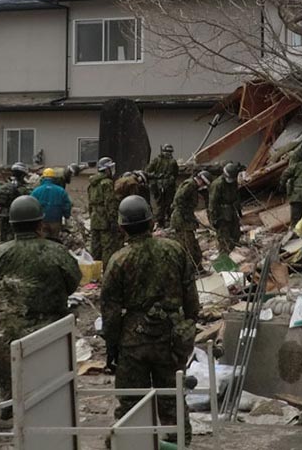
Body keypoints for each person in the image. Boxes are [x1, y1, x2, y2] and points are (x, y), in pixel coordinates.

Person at [101, 195, 199, 445]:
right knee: (173, 398)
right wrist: (187, 327)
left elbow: (110, 311)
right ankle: (179, 444)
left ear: (122, 227)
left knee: (132, 402)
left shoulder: (118, 260)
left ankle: (131, 444)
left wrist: (111, 348)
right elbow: (191, 298)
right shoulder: (174, 249)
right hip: (170, 338)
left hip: (134, 342)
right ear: (152, 222)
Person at [0, 195, 81, 324]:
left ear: (11, 224)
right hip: (52, 322)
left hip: (9, 324)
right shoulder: (57, 251)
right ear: (40, 224)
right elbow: (73, 281)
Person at [170, 170, 212, 273]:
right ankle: (192, 271)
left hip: (186, 220)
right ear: (201, 180)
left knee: (194, 246)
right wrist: (186, 215)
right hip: (181, 221)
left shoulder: (193, 186)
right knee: (189, 248)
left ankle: (198, 269)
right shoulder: (190, 185)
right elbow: (178, 200)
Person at [88, 157, 122, 266]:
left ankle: (95, 271)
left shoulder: (92, 183)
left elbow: (89, 203)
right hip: (105, 219)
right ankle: (107, 269)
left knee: (95, 246)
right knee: (108, 246)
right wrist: (113, 220)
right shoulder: (107, 183)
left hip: (94, 218)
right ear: (107, 169)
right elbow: (110, 203)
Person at [208, 162, 243, 255]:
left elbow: (236, 196)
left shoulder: (233, 181)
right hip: (221, 213)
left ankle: (233, 254)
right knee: (223, 238)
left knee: (236, 234)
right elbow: (212, 203)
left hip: (231, 210)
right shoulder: (217, 184)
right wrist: (213, 219)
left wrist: (239, 211)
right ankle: (224, 260)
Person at [0, 162, 32, 242]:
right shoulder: (23, 189)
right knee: (14, 238)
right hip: (15, 215)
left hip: (2, 214)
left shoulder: (4, 187)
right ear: (23, 174)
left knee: (2, 237)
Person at [30, 168, 72, 241]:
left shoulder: (36, 191)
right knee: (55, 241)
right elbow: (67, 205)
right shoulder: (61, 191)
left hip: (41, 222)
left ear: (43, 178)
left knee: (43, 242)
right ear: (54, 178)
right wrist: (66, 216)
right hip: (56, 221)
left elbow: (30, 205)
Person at [145, 144, 180, 228]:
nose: (168, 154)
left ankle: (169, 223)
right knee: (160, 206)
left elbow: (175, 174)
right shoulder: (156, 160)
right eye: (167, 151)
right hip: (158, 186)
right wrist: (156, 176)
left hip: (169, 187)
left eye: (170, 152)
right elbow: (147, 172)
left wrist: (171, 180)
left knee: (170, 205)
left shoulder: (173, 162)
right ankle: (159, 223)